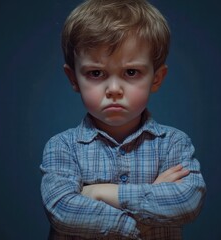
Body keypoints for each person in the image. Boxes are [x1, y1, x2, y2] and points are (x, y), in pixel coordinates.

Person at [40, 0, 206, 239]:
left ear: (157, 78)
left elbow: (187, 202)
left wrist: (99, 193)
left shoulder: (173, 143)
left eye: (131, 72)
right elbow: (63, 210)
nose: (114, 89)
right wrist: (149, 199)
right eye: (96, 73)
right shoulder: (62, 147)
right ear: (73, 78)